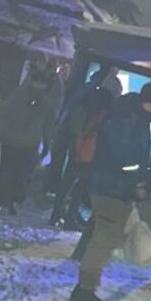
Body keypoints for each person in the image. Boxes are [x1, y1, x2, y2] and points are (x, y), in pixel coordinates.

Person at [68, 79, 151, 301]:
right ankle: (84, 290)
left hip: (112, 186)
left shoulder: (129, 115)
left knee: (105, 236)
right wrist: (139, 180)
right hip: (111, 188)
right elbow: (125, 158)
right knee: (104, 238)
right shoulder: (130, 119)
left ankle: (86, 287)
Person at [50, 81, 115, 226]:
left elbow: (74, 131)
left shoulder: (82, 109)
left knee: (67, 184)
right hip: (88, 156)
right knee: (78, 189)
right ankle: (70, 219)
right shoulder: (101, 116)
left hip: (77, 152)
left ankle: (57, 215)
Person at [0, 75, 54, 212]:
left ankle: (8, 202)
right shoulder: (19, 98)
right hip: (18, 142)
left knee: (18, 175)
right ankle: (6, 202)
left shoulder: (43, 104)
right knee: (13, 175)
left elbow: (48, 127)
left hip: (25, 143)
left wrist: (46, 144)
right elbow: (3, 115)